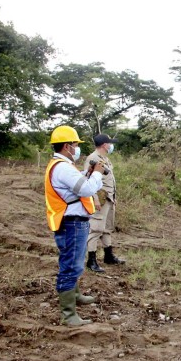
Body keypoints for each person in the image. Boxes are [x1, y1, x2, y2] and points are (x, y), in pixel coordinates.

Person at [44, 125, 104, 326]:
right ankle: (68, 315)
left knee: (73, 261)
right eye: (76, 144)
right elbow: (86, 190)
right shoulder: (62, 167)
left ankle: (75, 296)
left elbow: (75, 186)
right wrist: (96, 174)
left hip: (71, 222)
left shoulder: (61, 166)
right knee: (71, 265)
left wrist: (86, 172)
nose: (77, 148)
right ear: (67, 146)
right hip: (72, 223)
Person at [84, 133, 125, 272]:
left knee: (107, 228)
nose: (111, 145)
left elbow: (109, 180)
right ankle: (91, 260)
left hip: (109, 197)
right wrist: (94, 198)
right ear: (104, 145)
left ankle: (109, 255)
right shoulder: (93, 158)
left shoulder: (105, 159)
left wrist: (114, 197)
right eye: (109, 143)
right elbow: (88, 180)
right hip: (100, 199)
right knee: (96, 228)